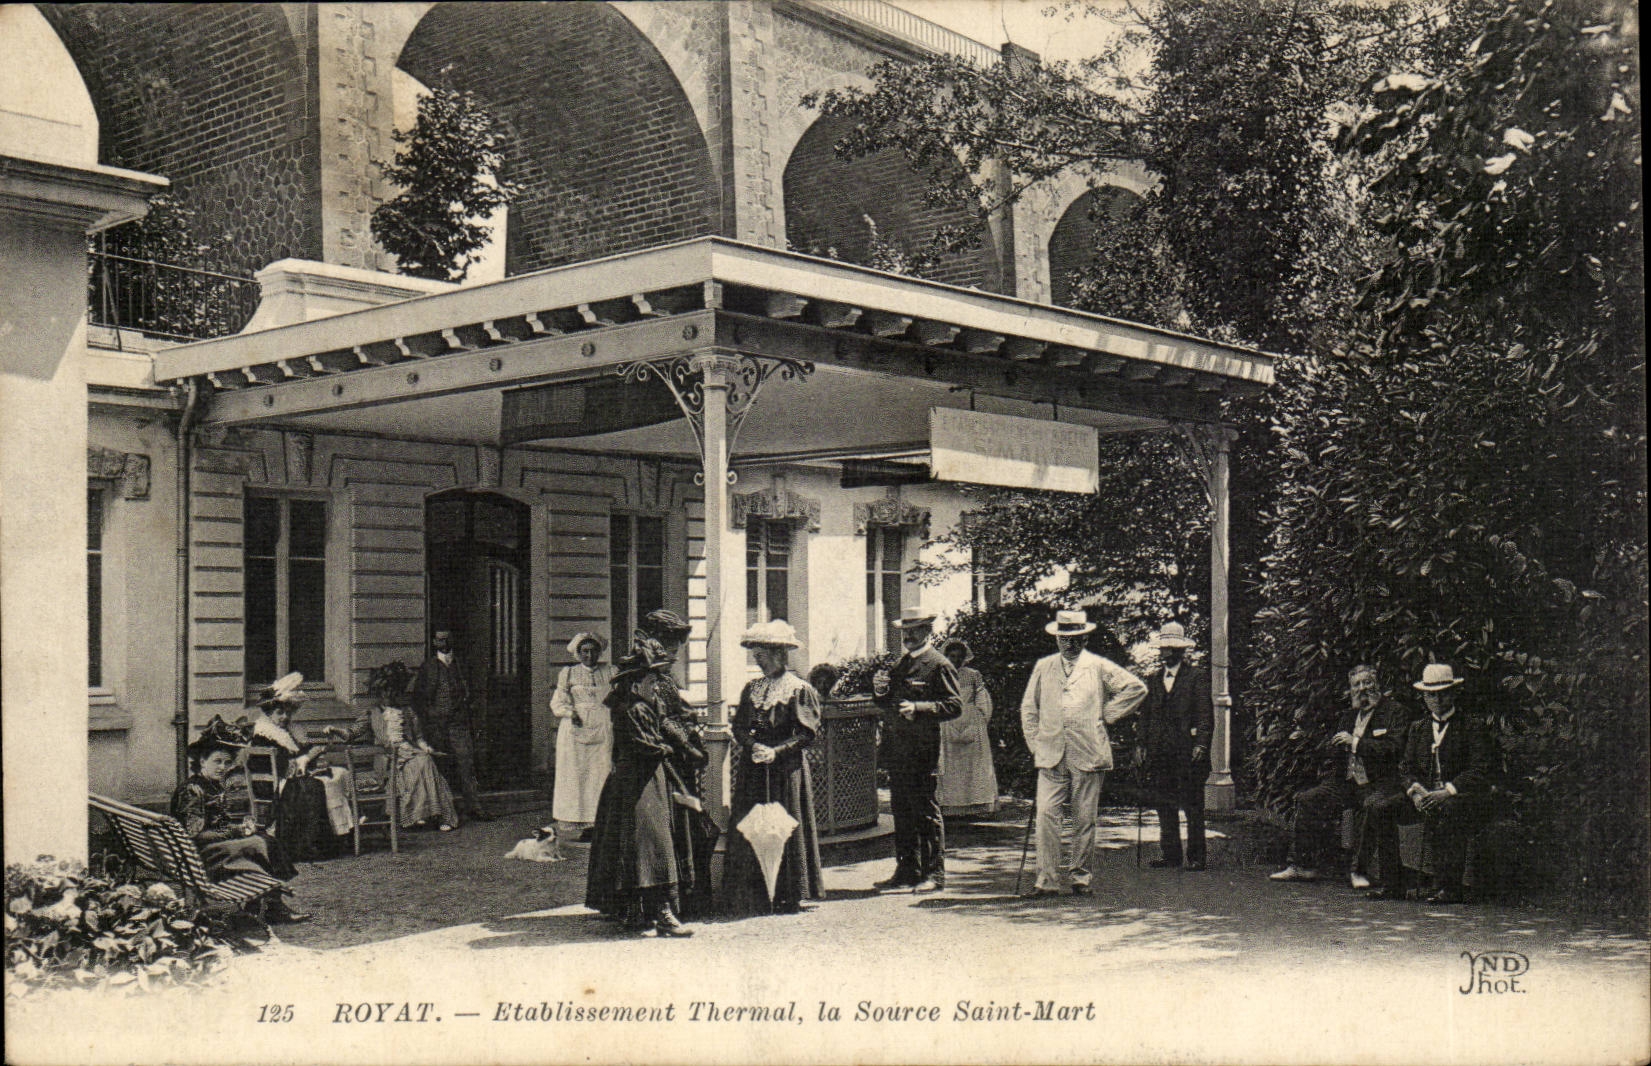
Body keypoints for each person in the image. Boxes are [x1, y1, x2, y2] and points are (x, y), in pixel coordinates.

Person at [1019, 609, 1147, 897]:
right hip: (1051, 752)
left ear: (1086, 637)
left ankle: (1080, 877)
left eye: (1076, 638)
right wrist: (1036, 745)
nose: (1070, 644)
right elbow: (1029, 708)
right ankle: (1047, 879)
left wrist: (1106, 715)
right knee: (1046, 816)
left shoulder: (1098, 665)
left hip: (1088, 751)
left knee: (1084, 817)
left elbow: (1136, 688)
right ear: (1056, 638)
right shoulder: (1044, 666)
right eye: (1065, 638)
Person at [1270, 664, 1412, 890]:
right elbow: (1336, 752)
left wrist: (1355, 743)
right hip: (1347, 782)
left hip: (1380, 783)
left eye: (1367, 683)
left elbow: (1395, 748)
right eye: (1357, 685)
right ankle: (1302, 866)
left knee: (1370, 805)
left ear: (1377, 685)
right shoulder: (1348, 716)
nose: (1362, 689)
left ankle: (1359, 870)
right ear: (1351, 690)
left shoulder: (1395, 712)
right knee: (1308, 799)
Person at [583, 651, 694, 937]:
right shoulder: (635, 709)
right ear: (636, 684)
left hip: (632, 783)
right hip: (640, 785)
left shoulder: (629, 706)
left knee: (633, 846)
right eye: (651, 681)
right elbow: (648, 746)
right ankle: (662, 914)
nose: (656, 686)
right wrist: (670, 747)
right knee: (653, 845)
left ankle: (635, 912)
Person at [726, 620, 825, 916]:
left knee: (785, 824)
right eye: (756, 658)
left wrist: (777, 751)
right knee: (753, 823)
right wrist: (751, 744)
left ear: (780, 655)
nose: (760, 663)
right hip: (755, 768)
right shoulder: (753, 689)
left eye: (764, 657)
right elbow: (743, 725)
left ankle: (788, 892)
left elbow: (807, 732)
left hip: (785, 770)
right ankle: (755, 891)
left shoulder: (798, 690)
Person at [170, 716, 307, 923]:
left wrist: (239, 827)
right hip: (200, 857)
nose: (222, 767)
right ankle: (272, 905)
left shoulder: (209, 785)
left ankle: (265, 902)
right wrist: (235, 832)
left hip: (210, 851)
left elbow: (215, 825)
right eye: (217, 761)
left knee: (261, 839)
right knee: (259, 843)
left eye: (226, 762)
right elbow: (194, 835)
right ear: (202, 761)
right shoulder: (193, 789)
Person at [872, 607, 963, 893]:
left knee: (925, 811)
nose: (908, 635)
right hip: (898, 750)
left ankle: (934, 874)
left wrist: (920, 708)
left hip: (922, 751)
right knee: (901, 810)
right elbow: (889, 706)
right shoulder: (900, 665)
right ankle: (907, 870)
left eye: (915, 629)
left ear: (928, 631)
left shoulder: (938, 664)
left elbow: (954, 705)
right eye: (905, 631)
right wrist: (880, 691)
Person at [1394, 663, 1498, 904]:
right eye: (1431, 694)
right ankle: (1392, 883)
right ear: (1424, 697)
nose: (1438, 700)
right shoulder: (1418, 728)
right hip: (1425, 796)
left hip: (1462, 797)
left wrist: (1448, 791)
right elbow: (1406, 767)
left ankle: (1448, 887)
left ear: (1453, 694)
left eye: (1443, 693)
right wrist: (1415, 791)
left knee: (1448, 810)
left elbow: (1480, 769)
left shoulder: (1472, 726)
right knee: (1383, 806)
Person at [330, 661, 459, 832]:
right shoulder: (372, 713)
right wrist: (335, 730)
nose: (389, 695)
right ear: (380, 692)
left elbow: (418, 737)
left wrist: (425, 747)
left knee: (424, 760)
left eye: (393, 691)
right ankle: (416, 815)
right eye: (386, 691)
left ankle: (429, 814)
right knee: (419, 764)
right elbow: (351, 733)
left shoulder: (408, 712)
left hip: (409, 751)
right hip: (387, 757)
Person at [1133, 621, 1213, 871]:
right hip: (1159, 752)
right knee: (1164, 804)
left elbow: (1205, 714)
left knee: (1192, 805)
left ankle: (1197, 856)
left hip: (1187, 751)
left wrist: (1201, 743)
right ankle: (1171, 855)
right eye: (1163, 648)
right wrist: (1141, 745)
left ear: (1180, 651)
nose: (1164, 652)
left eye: (1169, 648)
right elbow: (1145, 716)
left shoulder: (1196, 677)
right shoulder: (1153, 680)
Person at [248, 672, 352, 860]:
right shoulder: (263, 735)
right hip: (273, 783)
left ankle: (342, 834)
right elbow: (281, 764)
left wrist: (312, 755)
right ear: (269, 713)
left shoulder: (291, 731)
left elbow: (305, 751)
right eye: (280, 713)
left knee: (339, 774)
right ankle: (311, 843)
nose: (285, 717)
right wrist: (304, 759)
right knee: (315, 786)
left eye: (288, 712)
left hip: (292, 777)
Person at [412, 628, 493, 821]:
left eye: (447, 639)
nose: (444, 643)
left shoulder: (462, 665)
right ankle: (441, 811)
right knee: (439, 765)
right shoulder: (428, 667)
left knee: (466, 763)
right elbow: (418, 698)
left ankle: (473, 806)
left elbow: (475, 692)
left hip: (459, 723)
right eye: (440, 640)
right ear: (434, 642)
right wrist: (429, 715)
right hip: (435, 726)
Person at [550, 632, 615, 841]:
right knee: (577, 775)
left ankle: (598, 824)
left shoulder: (610, 672)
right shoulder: (568, 674)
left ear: (599, 651)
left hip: (603, 727)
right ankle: (578, 822)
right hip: (575, 730)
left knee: (600, 774)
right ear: (578, 653)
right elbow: (558, 703)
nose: (589, 655)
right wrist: (571, 713)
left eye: (593, 650)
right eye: (585, 651)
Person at [938, 638, 999, 816]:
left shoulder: (973, 675)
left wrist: (979, 719)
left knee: (973, 765)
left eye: (959, 657)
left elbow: (982, 700)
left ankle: (976, 804)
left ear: (965, 658)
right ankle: (950, 806)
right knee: (951, 766)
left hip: (971, 721)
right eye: (952, 656)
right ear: (945, 656)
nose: (955, 660)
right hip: (947, 721)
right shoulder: (939, 674)